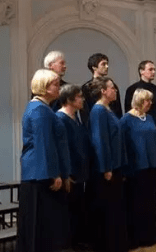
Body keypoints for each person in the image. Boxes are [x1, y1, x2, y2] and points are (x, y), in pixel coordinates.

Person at [17, 69, 71, 252]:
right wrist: (54, 174)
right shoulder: (39, 110)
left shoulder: (43, 108)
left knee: (45, 226)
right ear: (45, 88)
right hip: (39, 175)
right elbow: (44, 144)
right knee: (38, 226)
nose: (59, 88)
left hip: (41, 173)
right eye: (56, 84)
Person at [120, 89, 156, 249]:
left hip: (150, 167)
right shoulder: (126, 120)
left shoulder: (150, 118)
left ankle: (152, 235)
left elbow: (155, 141)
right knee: (138, 203)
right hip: (136, 168)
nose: (150, 104)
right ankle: (138, 237)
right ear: (139, 101)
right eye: (147, 101)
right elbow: (123, 145)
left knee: (151, 201)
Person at [89, 77, 128, 252]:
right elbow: (100, 141)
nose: (115, 91)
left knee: (116, 207)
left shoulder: (108, 110)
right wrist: (106, 168)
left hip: (116, 166)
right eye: (112, 88)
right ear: (103, 91)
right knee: (109, 208)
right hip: (108, 168)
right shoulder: (98, 111)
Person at [56, 84, 91, 249]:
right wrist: (66, 174)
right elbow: (63, 149)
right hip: (70, 174)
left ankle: (78, 241)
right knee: (69, 212)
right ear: (69, 99)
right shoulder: (60, 119)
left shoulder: (76, 119)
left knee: (78, 210)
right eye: (79, 96)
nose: (82, 99)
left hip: (80, 173)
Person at [81, 53, 123, 123]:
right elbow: (85, 114)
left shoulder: (112, 85)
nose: (107, 66)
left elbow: (118, 110)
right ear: (94, 67)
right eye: (103, 64)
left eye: (107, 64)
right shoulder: (86, 88)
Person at [124, 60, 156, 125]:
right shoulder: (132, 89)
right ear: (141, 71)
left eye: (154, 70)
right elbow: (129, 111)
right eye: (150, 69)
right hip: (138, 126)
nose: (153, 72)